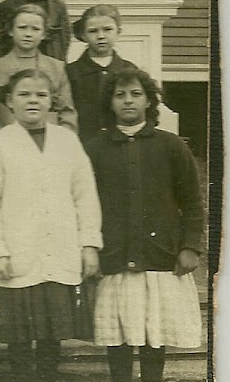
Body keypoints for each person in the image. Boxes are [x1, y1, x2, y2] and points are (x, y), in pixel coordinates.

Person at [0, 69, 102, 381]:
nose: (33, 100)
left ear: (52, 102)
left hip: (59, 249)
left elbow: (85, 195)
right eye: (24, 94)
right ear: (9, 101)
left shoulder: (68, 141)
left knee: (51, 333)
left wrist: (89, 245)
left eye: (41, 94)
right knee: (19, 334)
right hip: (17, 251)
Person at [86, 69, 204, 382]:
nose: (128, 101)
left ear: (149, 100)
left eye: (135, 94)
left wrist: (190, 246)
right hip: (116, 257)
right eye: (120, 95)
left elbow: (192, 200)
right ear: (110, 102)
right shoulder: (96, 148)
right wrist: (92, 248)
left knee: (154, 334)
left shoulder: (170, 145)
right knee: (120, 336)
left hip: (160, 257)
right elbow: (84, 204)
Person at [0, 4, 77, 131]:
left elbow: (67, 111)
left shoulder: (56, 67)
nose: (28, 34)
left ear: (44, 34)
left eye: (35, 29)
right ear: (10, 31)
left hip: (49, 137)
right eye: (22, 28)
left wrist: (64, 139)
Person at [66, 5, 138, 143]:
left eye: (107, 29)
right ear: (83, 35)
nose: (101, 36)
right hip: (83, 143)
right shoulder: (71, 72)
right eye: (93, 31)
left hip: (120, 144)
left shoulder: (128, 70)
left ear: (118, 32)